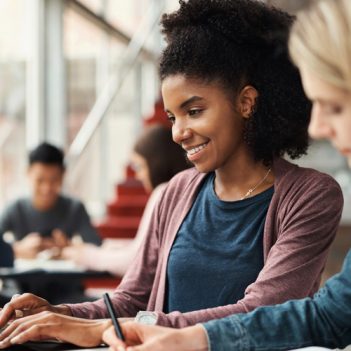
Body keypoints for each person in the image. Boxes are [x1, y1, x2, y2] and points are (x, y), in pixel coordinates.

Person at [0, 0, 344, 348]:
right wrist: (61, 315)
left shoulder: (310, 196)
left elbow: (263, 311)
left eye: (193, 111)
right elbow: (131, 299)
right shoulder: (175, 192)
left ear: (246, 102)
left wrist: (128, 328)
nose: (178, 132)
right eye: (172, 117)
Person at [62, 124, 191, 276]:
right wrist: (105, 247)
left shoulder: (163, 192)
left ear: (157, 163)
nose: (138, 175)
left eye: (140, 167)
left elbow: (136, 260)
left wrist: (84, 256)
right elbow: (144, 247)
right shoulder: (182, 189)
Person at [0, 142, 101, 259]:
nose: (46, 188)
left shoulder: (75, 208)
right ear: (28, 173)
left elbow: (96, 247)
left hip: (65, 276)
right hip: (22, 277)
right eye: (40, 180)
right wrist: (17, 249)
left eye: (54, 180)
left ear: (63, 175)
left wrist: (69, 246)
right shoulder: (15, 208)